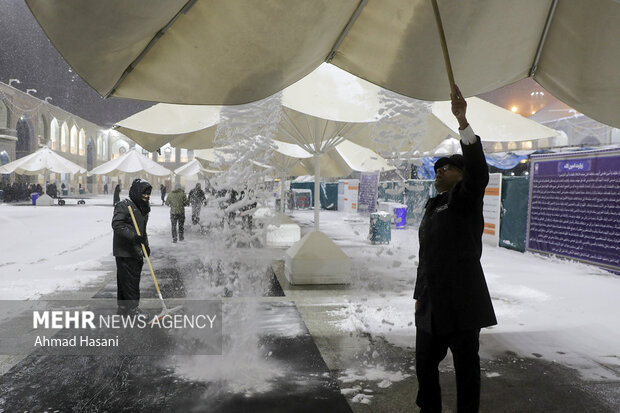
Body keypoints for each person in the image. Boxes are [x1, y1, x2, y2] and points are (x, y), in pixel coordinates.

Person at [413, 85, 497, 413]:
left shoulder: (465, 199)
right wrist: (420, 295)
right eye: (436, 168)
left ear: (460, 175)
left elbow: (479, 173)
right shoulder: (433, 206)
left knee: (466, 371)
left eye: (445, 167)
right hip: (431, 304)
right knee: (424, 366)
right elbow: (426, 257)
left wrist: (463, 122)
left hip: (462, 302)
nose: (438, 171)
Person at [111, 178, 152, 315]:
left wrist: (145, 245)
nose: (146, 196)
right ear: (137, 192)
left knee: (126, 279)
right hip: (124, 249)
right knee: (130, 280)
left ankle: (123, 307)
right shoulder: (124, 205)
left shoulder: (143, 207)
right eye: (144, 193)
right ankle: (132, 308)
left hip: (135, 249)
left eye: (148, 194)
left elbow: (143, 230)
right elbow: (117, 225)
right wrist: (133, 237)